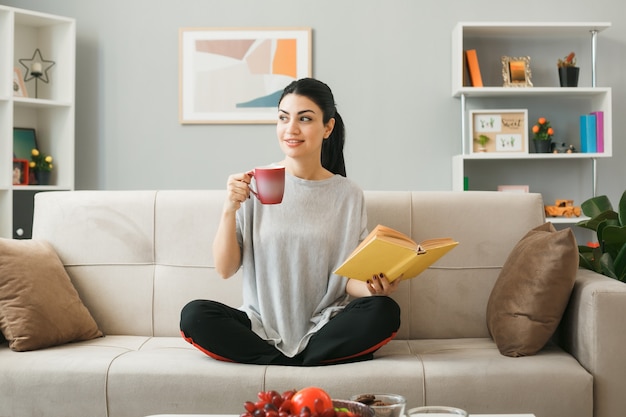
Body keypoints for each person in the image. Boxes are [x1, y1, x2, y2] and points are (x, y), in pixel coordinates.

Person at [180, 78, 401, 366]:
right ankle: (303, 361)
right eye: (283, 118)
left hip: (326, 324)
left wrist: (373, 288)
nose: (291, 129)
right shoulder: (255, 183)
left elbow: (347, 281)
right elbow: (225, 269)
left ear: (328, 127)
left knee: (384, 311)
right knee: (194, 315)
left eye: (305, 119)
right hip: (259, 326)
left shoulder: (347, 194)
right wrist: (228, 209)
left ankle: (286, 360)